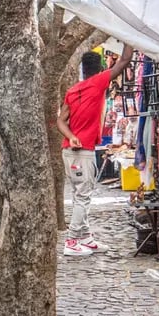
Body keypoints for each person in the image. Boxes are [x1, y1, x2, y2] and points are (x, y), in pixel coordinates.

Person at [59, 48, 131, 256]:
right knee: (83, 196)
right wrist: (129, 33)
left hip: (70, 150)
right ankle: (72, 241)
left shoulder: (73, 90)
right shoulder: (99, 82)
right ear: (100, 68)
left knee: (78, 194)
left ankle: (85, 237)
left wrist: (70, 135)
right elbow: (125, 60)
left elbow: (60, 121)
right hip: (83, 152)